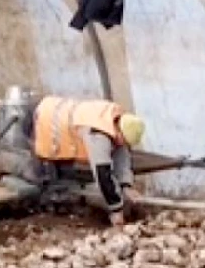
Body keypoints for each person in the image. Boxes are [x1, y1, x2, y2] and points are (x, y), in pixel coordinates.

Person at [32, 95, 145, 225]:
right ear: (119, 131)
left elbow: (122, 156)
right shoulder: (98, 134)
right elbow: (103, 174)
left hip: (56, 111)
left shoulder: (119, 122)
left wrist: (126, 185)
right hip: (45, 120)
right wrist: (116, 210)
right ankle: (50, 209)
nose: (122, 144)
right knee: (43, 178)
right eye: (123, 141)